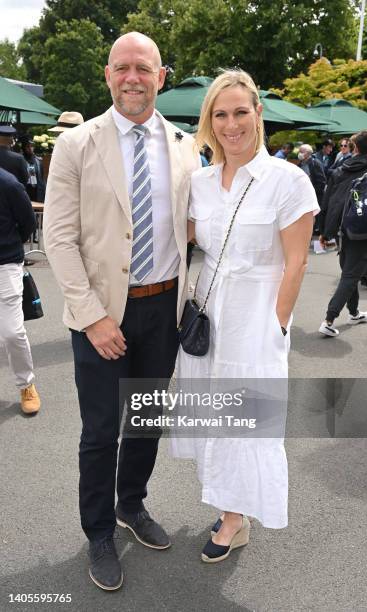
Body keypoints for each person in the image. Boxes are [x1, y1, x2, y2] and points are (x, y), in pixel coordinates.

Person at [43, 32, 200, 591]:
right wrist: (92, 316)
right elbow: (58, 238)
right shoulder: (77, 145)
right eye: (122, 67)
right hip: (100, 315)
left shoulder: (185, 146)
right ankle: (99, 533)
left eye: (144, 67)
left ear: (161, 76)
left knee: (147, 422)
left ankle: (131, 505)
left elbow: (193, 230)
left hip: (163, 310)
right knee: (102, 430)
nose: (132, 77)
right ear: (107, 75)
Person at [172, 70, 319, 563]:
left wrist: (276, 326)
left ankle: (235, 519)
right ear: (209, 122)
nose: (231, 123)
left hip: (257, 319)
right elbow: (189, 240)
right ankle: (231, 506)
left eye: (240, 111)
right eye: (221, 114)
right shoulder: (200, 182)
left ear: (258, 114)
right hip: (212, 316)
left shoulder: (288, 180)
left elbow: (296, 262)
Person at [318, 130, 367, 337]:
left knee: (350, 272)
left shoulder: (340, 170)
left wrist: (324, 231)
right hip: (364, 233)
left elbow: (328, 202)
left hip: (343, 230)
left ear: (354, 149)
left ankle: (354, 313)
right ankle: (329, 319)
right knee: (351, 275)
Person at [0, 167, 41, 414]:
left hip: (5, 264)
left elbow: (27, 223)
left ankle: (26, 384)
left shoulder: (8, 183)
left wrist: (10, 247)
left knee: (13, 333)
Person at [19, 136, 46, 202]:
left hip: (37, 191)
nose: (30, 148)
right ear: (23, 148)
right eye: (28, 146)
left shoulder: (38, 161)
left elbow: (42, 178)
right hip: (25, 190)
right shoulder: (19, 160)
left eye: (32, 146)